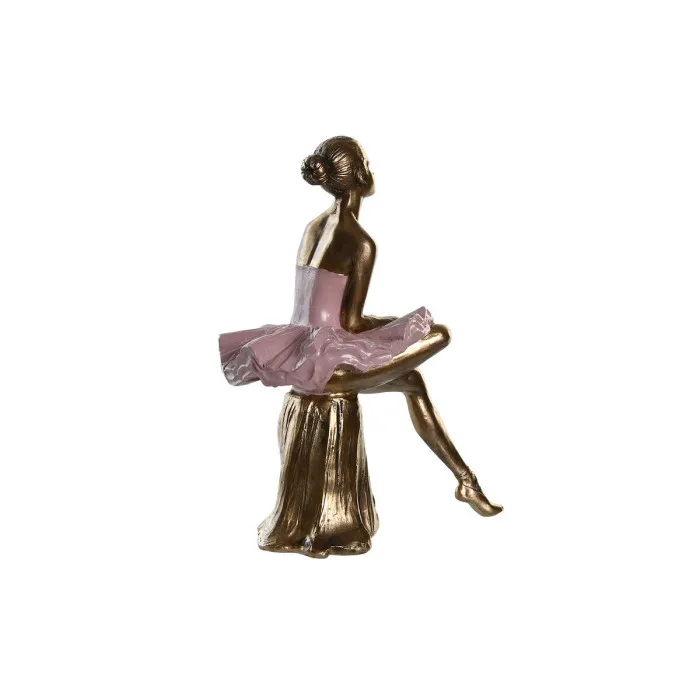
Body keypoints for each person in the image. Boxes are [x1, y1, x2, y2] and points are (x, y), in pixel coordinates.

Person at [219, 136, 502, 517]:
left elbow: (320, 312)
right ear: (360, 175)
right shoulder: (358, 240)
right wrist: (402, 325)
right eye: (367, 164)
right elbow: (350, 324)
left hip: (297, 347)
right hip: (328, 365)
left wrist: (397, 326)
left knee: (412, 381)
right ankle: (466, 481)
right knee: (441, 334)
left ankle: (466, 482)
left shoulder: (314, 226)